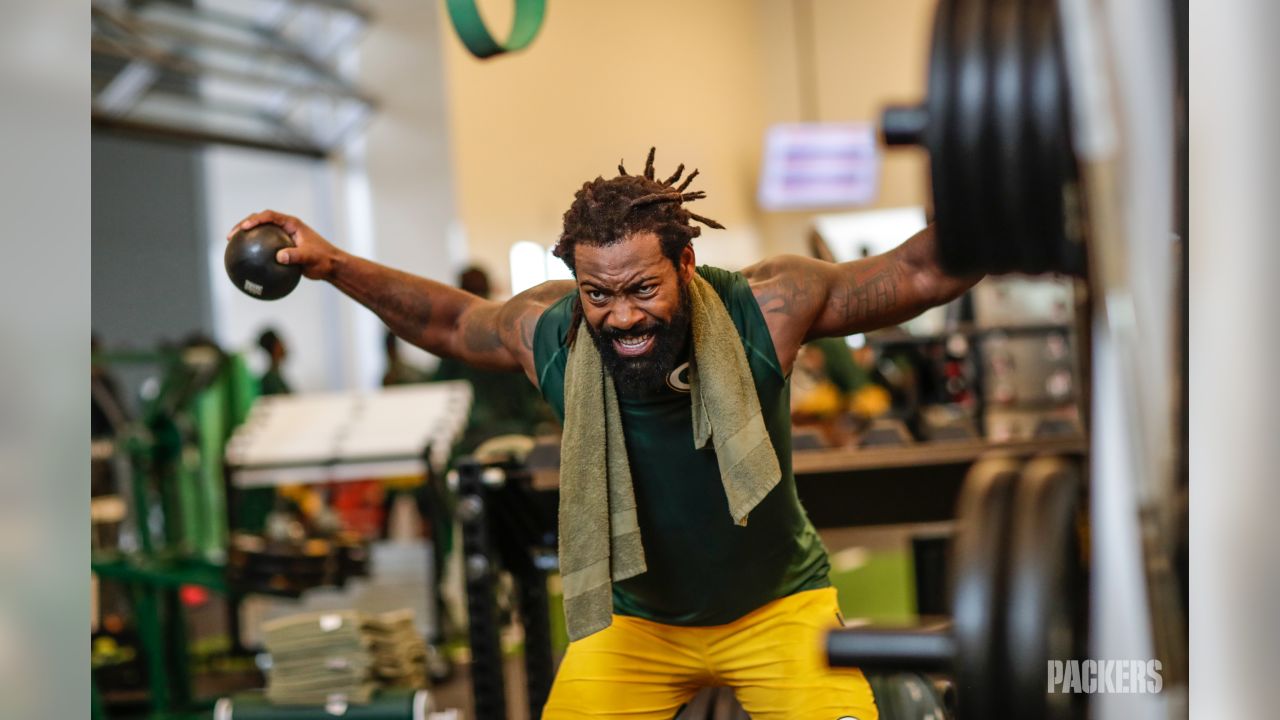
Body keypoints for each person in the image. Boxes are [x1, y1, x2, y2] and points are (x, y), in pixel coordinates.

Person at [229, 149, 979, 719]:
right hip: (635, 622)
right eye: (599, 294)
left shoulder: (765, 308)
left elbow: (916, 274)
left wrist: (1012, 187)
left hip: (777, 606)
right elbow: (452, 321)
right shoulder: (550, 333)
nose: (621, 317)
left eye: (643, 289)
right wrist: (334, 265)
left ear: (686, 263)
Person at [256, 328, 291, 396]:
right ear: (275, 348)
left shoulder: (274, 377)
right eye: (280, 343)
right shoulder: (271, 380)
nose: (284, 347)